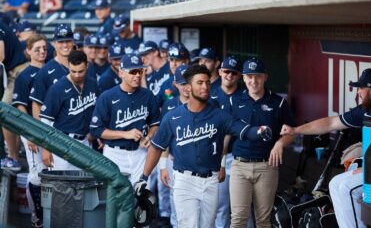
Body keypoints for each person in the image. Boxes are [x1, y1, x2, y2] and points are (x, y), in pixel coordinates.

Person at [135, 64, 272, 228]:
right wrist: (144, 176)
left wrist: (260, 131)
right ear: (189, 87)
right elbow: (156, 147)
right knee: (189, 225)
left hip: (211, 181)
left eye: (207, 82)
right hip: (184, 180)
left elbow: (243, 129)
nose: (205, 86)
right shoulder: (173, 117)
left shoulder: (219, 115)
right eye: (199, 83)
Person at [280, 68, 371, 228]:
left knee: (346, 188)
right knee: (335, 184)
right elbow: (330, 123)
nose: (358, 92)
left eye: (360, 88)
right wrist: (296, 130)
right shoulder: (366, 111)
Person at [229, 57, 295, 228]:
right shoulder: (234, 101)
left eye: (257, 76)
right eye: (249, 76)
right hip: (239, 165)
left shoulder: (278, 102)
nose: (253, 81)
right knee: (238, 219)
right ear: (243, 78)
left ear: (265, 77)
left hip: (267, 166)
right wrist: (220, 163)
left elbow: (291, 133)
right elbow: (227, 133)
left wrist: (280, 144)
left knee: (263, 221)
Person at [90, 53, 160, 184]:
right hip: (115, 154)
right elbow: (96, 130)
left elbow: (155, 123)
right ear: (121, 73)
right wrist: (125, 134)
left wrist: (149, 137)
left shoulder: (148, 95)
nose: (137, 75)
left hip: (141, 153)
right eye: (133, 71)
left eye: (140, 71)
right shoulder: (107, 96)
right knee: (117, 198)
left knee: (142, 196)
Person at [11, 34, 47, 228]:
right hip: (32, 130)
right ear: (28, 51)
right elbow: (20, 107)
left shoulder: (53, 71)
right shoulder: (24, 75)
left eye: (44, 48)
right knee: (36, 174)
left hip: (53, 130)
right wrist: (30, 133)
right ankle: (37, 217)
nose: (42, 52)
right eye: (37, 49)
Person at [39, 50, 97, 170]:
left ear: (87, 66)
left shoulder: (92, 83)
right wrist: (45, 148)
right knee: (61, 186)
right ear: (69, 66)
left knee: (84, 183)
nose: (76, 75)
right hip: (62, 141)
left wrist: (94, 131)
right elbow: (45, 121)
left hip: (85, 142)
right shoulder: (57, 88)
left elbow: (97, 111)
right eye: (73, 71)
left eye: (80, 71)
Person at [212, 56, 244, 228]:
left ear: (239, 75)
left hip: (240, 157)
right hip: (217, 156)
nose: (229, 75)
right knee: (221, 206)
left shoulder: (246, 96)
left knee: (242, 208)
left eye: (234, 72)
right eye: (226, 71)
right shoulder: (211, 94)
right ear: (220, 72)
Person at [158, 64, 190, 227]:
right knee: (174, 198)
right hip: (173, 158)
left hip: (196, 162)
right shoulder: (169, 105)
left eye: (189, 82)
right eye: (182, 83)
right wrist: (163, 165)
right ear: (175, 84)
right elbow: (164, 137)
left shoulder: (204, 104)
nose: (186, 87)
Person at [29, 24, 74, 129]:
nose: (65, 45)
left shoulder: (84, 66)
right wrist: (40, 133)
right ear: (54, 43)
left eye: (67, 41)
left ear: (73, 42)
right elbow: (37, 103)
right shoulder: (45, 71)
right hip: (56, 131)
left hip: (81, 132)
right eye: (61, 42)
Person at [0, 19, 27, 171]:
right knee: (13, 115)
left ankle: (13, 158)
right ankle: (14, 154)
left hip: (17, 72)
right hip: (15, 71)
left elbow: (0, 55)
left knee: (5, 113)